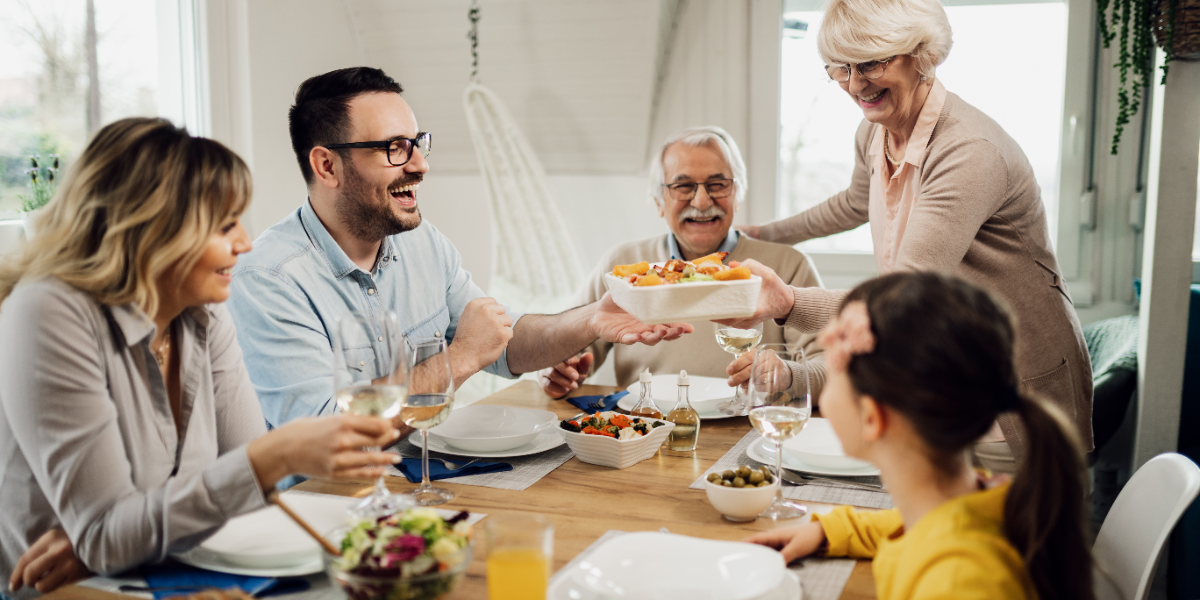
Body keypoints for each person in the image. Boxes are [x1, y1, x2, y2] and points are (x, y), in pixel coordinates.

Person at [0, 118, 400, 596]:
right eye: (224, 224)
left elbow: (245, 501)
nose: (245, 243)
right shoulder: (48, 311)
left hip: (166, 574)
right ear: (151, 229)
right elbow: (112, 534)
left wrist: (122, 538)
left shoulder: (201, 313)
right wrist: (272, 456)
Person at [732, 0, 1092, 472]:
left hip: (1009, 389)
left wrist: (788, 303)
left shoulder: (969, 152)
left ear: (923, 54)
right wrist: (761, 234)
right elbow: (854, 203)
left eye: (872, 62)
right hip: (941, 372)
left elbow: (903, 297)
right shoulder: (874, 132)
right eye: (840, 68)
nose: (856, 84)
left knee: (1001, 542)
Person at [226, 67, 690, 432]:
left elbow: (505, 346)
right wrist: (461, 357)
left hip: (430, 476)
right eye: (395, 148)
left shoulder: (423, 242)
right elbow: (327, 437)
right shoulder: (269, 279)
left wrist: (592, 319)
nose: (421, 165)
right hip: (329, 508)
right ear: (327, 165)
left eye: (418, 144)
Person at [745, 272, 1093, 600]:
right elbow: (908, 523)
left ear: (872, 418)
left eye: (833, 372)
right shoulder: (968, 498)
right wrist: (827, 532)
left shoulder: (958, 582)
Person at [538, 127, 826, 401]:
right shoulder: (621, 264)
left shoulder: (788, 265)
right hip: (645, 431)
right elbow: (563, 342)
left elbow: (833, 368)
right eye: (683, 186)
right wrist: (556, 370)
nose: (701, 201)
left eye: (717, 185)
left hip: (748, 433)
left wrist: (789, 375)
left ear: (737, 195)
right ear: (658, 201)